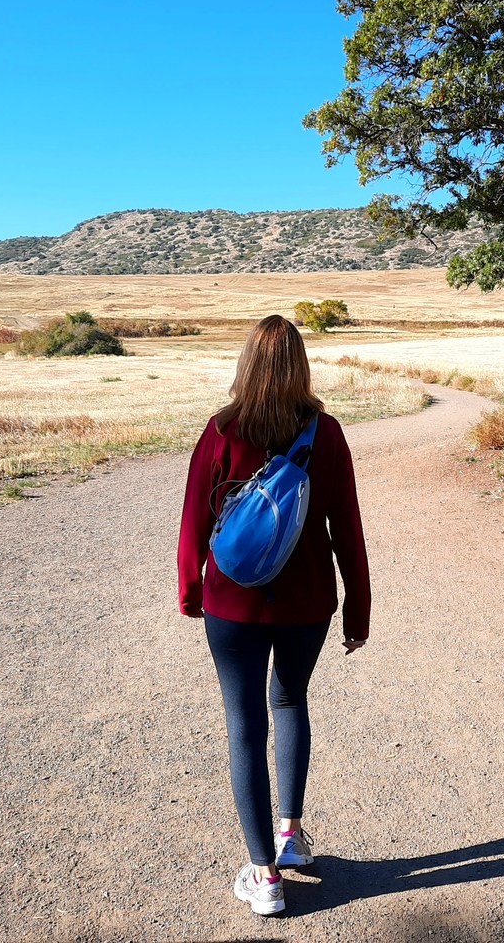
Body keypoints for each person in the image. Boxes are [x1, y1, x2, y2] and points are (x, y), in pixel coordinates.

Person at [177, 315, 371, 916]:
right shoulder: (326, 433)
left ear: (246, 365)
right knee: (289, 702)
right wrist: (358, 609)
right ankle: (290, 834)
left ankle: (264, 876)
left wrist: (190, 588)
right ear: (301, 367)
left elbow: (194, 517)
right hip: (307, 604)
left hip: (232, 604)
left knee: (244, 724)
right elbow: (348, 528)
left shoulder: (222, 430)